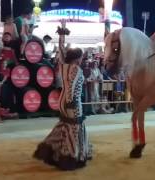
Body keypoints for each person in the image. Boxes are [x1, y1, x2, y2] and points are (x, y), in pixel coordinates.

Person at [34, 20, 92, 170]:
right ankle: (70, 157)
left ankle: (57, 151)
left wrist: (63, 32)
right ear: (78, 58)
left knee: (64, 126)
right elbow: (72, 86)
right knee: (74, 128)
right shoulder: (76, 69)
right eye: (81, 57)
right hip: (72, 102)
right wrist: (71, 101)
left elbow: (60, 49)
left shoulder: (63, 65)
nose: (82, 59)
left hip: (62, 100)